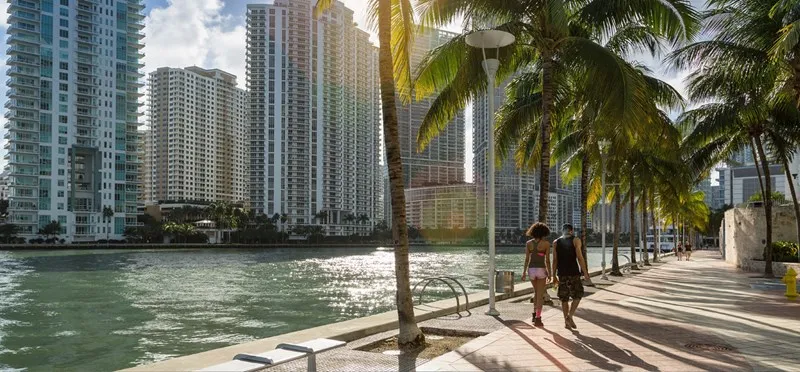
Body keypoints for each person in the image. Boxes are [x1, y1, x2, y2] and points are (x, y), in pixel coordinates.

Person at [552, 224, 590, 329]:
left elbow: (555, 260)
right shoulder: (576, 240)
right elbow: (580, 257)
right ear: (571, 231)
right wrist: (585, 272)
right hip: (573, 273)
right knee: (578, 295)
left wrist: (553, 275)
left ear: (562, 231)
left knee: (564, 298)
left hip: (562, 273)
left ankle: (567, 321)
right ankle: (569, 316)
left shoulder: (555, 242)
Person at [521, 222, 551, 327]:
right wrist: (550, 273)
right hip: (541, 270)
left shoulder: (529, 243)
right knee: (540, 295)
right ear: (544, 232)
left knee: (536, 292)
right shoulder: (546, 244)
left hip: (531, 270)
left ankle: (534, 314)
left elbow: (526, 259)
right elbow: (547, 260)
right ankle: (538, 318)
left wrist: (524, 272)